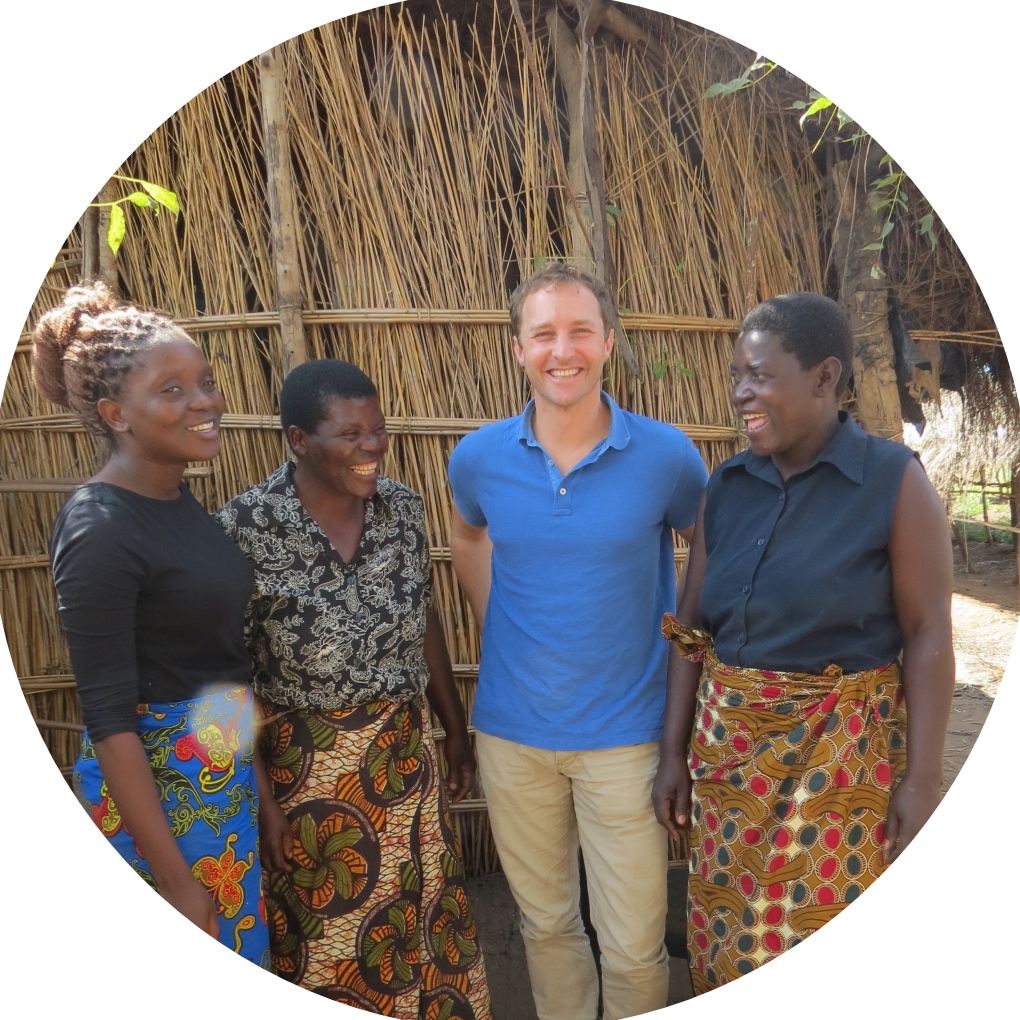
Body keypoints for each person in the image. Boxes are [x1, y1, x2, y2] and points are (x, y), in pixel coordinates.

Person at [652, 292, 955, 993]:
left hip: (838, 774)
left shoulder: (890, 481)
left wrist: (924, 777)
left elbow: (928, 632)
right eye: (736, 377)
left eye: (758, 375)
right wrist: (672, 752)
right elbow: (690, 631)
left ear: (825, 376)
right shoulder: (727, 486)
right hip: (729, 773)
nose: (740, 394)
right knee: (727, 949)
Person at [448, 263, 709, 1020]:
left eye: (580, 332)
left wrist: (681, 649)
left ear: (609, 343)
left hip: (628, 737)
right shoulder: (478, 457)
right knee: (548, 927)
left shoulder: (666, 455)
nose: (563, 350)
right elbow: (468, 539)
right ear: (518, 349)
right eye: (544, 334)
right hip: (512, 734)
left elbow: (708, 553)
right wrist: (504, 621)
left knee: (632, 945)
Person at [216, 359, 492, 1017]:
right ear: (298, 440)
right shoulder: (244, 527)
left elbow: (420, 614)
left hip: (403, 761)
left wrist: (452, 726)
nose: (371, 448)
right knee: (331, 944)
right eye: (350, 434)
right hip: (305, 779)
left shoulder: (400, 508)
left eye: (378, 430)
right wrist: (261, 800)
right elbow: (224, 678)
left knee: (424, 928)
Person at [33, 282, 277, 966]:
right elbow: (109, 717)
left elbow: (218, 668)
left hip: (216, 791)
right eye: (172, 390)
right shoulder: (100, 529)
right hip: (161, 810)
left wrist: (254, 792)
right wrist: (175, 884)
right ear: (117, 414)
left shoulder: (180, 502)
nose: (204, 401)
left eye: (204, 382)